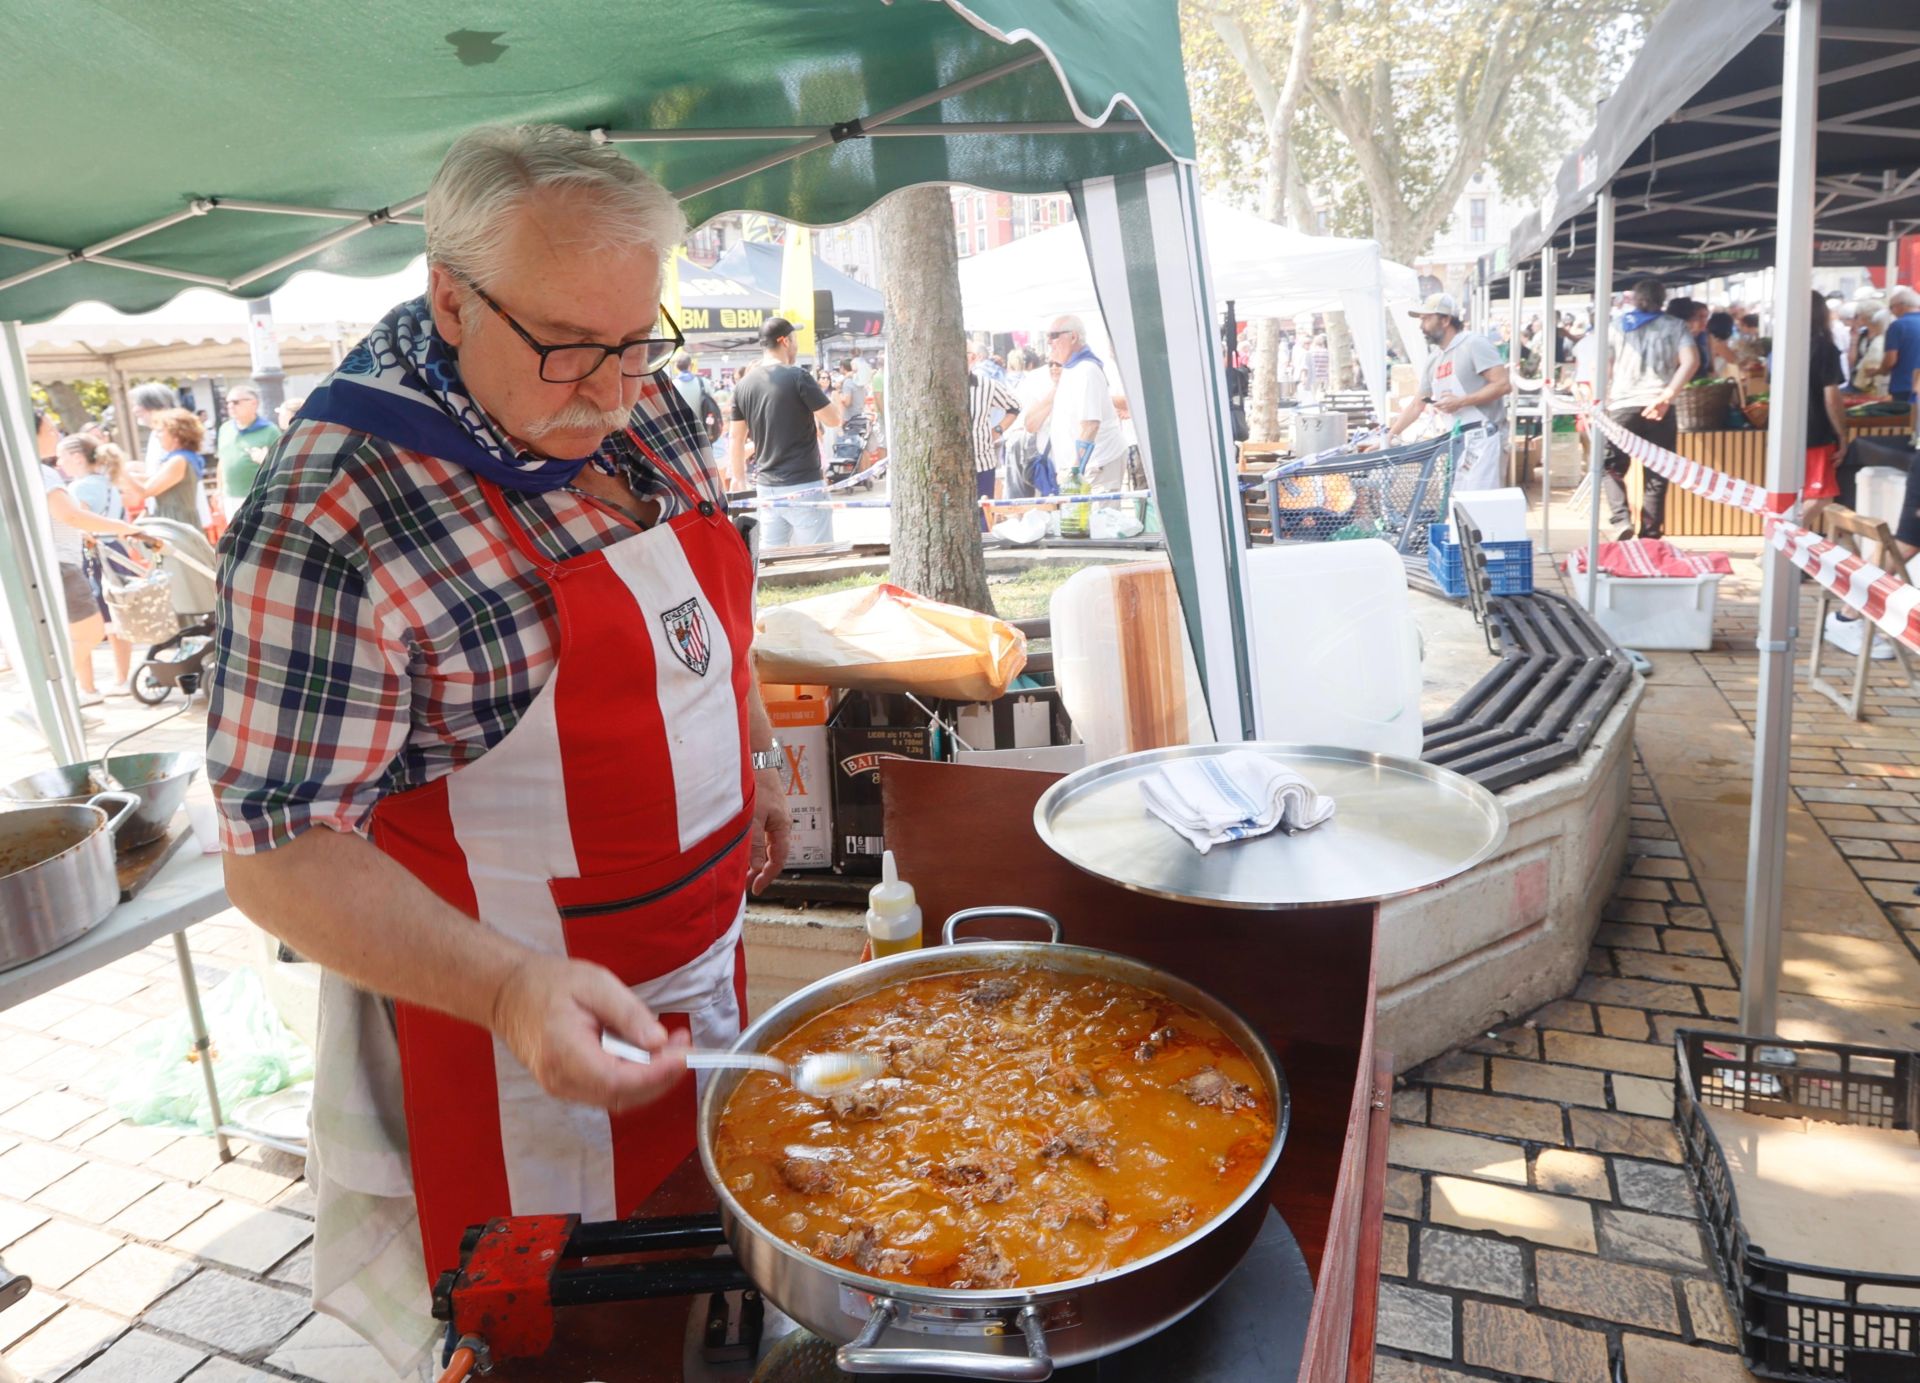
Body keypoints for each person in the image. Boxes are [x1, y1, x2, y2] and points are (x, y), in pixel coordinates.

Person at [207, 122, 789, 1377]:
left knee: (704, 1262)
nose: (612, 387)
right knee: (571, 1346)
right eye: (572, 348)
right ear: (449, 300)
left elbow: (700, 602)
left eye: (639, 344)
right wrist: (515, 992)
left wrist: (755, 756)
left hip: (700, 964)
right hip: (521, 1042)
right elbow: (274, 851)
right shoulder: (330, 519)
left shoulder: (630, 394)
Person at [44, 438, 145, 703]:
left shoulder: (79, 488)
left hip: (93, 555)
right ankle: (121, 679)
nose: (59, 462)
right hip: (116, 552)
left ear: (77, 457)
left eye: (62, 456)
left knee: (85, 624)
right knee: (117, 619)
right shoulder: (107, 484)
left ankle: (87, 688)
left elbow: (82, 523)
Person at [726, 317, 842, 548]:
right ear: (786, 341)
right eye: (795, 339)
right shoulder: (798, 377)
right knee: (817, 557)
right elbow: (833, 419)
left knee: (773, 559)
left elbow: (736, 438)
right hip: (804, 484)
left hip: (767, 487)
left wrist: (738, 477)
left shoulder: (743, 386)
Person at [1379, 293, 1511, 491]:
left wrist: (1462, 401)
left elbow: (1502, 385)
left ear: (1446, 319)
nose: (1421, 326)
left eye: (1426, 318)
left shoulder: (1473, 344)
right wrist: (1388, 438)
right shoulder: (1434, 359)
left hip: (1486, 438)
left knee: (1480, 507)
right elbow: (1417, 405)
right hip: (1458, 440)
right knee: (1459, 505)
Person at [1601, 277, 1698, 541]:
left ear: (1634, 298)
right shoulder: (1676, 326)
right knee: (1657, 472)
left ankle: (1621, 520)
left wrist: (1601, 398)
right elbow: (1691, 362)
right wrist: (1667, 395)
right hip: (1660, 407)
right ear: (1662, 300)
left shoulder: (1616, 326)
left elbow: (1602, 367)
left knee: (1611, 466)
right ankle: (1650, 534)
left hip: (1622, 405)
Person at [1021, 315, 1126, 494]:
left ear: (1073, 337)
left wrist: (1075, 471)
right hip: (1081, 470)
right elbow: (1030, 423)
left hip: (1095, 467)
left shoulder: (1086, 370)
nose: (1049, 342)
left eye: (1054, 336)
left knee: (1096, 521)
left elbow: (1090, 425)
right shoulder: (1072, 370)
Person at [966, 349, 1019, 530]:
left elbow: (1014, 406)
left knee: (982, 515)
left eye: (965, 353)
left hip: (981, 462)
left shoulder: (986, 385)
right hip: (947, 465)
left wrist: (997, 430)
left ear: (972, 358)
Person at [214, 383, 280, 513]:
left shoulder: (270, 430)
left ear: (253, 403)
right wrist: (219, 490)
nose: (230, 406)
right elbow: (222, 461)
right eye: (228, 403)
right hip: (230, 497)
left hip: (258, 497)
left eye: (235, 402)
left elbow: (281, 464)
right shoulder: (225, 429)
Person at [137, 407, 207, 527]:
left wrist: (120, 472)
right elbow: (152, 479)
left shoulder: (178, 460)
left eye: (160, 431)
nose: (157, 436)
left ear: (176, 435)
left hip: (178, 525)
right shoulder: (181, 458)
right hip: (176, 523)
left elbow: (146, 490)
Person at [1879, 286, 1920, 406]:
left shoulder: (1897, 326)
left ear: (1900, 305)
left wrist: (1880, 371)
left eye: (1891, 308)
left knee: (1905, 422)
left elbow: (1890, 360)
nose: (1892, 312)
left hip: (1903, 386)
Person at [669, 350, 722, 442]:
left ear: (676, 367)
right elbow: (713, 402)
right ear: (690, 366)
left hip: (681, 432)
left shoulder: (672, 385)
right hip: (703, 431)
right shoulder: (703, 382)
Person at [1854, 309, 1894, 396]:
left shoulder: (1880, 341)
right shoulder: (1884, 339)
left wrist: (1873, 372)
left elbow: (1873, 363)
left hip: (1878, 382)